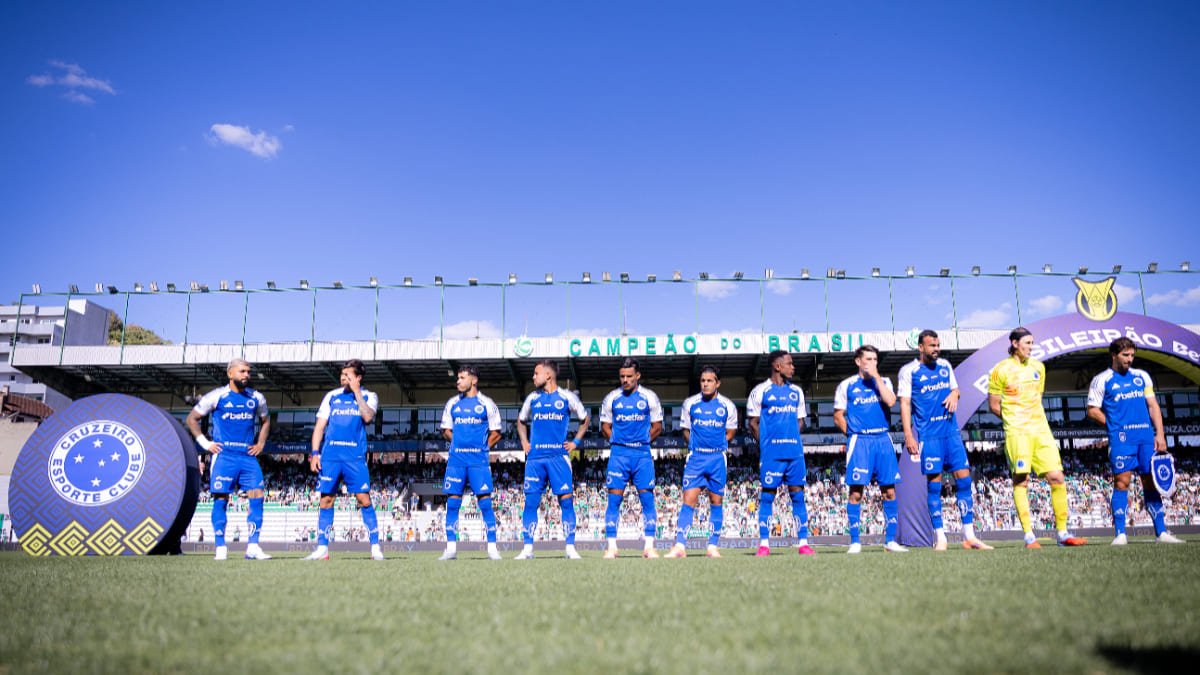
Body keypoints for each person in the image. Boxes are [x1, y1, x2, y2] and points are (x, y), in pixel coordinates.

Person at [988, 328, 1087, 548]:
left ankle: (1063, 534)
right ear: (1014, 343)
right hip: (1018, 432)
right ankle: (1029, 536)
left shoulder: (1039, 368)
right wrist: (1014, 419)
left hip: (1041, 431)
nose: (1031, 347)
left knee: (1057, 477)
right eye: (1027, 343)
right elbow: (994, 405)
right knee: (1021, 480)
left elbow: (1037, 399)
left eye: (1032, 343)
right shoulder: (1000, 370)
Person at [898, 330, 992, 551]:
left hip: (951, 433)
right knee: (934, 485)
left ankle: (969, 535)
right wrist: (909, 435)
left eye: (938, 345)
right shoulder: (909, 371)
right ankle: (940, 537)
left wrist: (955, 394)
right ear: (920, 347)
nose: (936, 349)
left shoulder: (945, 366)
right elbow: (904, 404)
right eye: (932, 345)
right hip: (929, 436)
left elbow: (956, 389)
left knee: (964, 480)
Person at [1086, 337, 1184, 545]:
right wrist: (1113, 425)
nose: (1129, 359)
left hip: (1146, 438)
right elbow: (1092, 410)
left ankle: (1162, 532)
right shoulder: (1102, 379)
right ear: (1114, 355)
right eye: (1125, 355)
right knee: (1122, 482)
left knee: (1151, 482)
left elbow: (1153, 406)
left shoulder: (1142, 377)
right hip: (1122, 440)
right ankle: (1120, 533)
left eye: (1132, 355)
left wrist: (1160, 434)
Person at [186, 358, 271, 561]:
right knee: (221, 501)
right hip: (224, 457)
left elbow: (266, 421)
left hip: (247, 458)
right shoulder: (217, 396)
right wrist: (205, 444)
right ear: (230, 373)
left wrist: (260, 444)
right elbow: (192, 419)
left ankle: (252, 546)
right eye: (242, 371)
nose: (246, 375)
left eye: (249, 372)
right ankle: (221, 547)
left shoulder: (256, 398)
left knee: (257, 497)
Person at [303, 359, 385, 560]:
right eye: (342, 374)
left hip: (354, 457)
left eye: (348, 375)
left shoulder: (369, 396)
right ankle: (322, 549)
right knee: (326, 500)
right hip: (330, 457)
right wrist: (315, 453)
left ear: (358, 377)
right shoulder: (331, 396)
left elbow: (367, 417)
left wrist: (357, 392)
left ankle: (375, 547)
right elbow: (320, 427)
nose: (343, 377)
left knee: (363, 499)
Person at [515, 359, 590, 559]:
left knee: (566, 502)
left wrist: (575, 442)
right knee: (531, 502)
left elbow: (585, 419)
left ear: (548, 375)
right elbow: (520, 421)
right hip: (535, 458)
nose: (533, 377)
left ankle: (570, 547)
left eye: (536, 373)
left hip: (558, 457)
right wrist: (524, 442)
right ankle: (528, 549)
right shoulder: (532, 398)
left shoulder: (566, 397)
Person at [835, 345, 905, 553]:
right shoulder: (847, 385)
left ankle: (890, 541)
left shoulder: (885, 383)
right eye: (868, 359)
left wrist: (877, 378)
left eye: (875, 359)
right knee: (856, 492)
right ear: (858, 361)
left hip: (883, 439)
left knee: (889, 491)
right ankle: (855, 541)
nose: (872, 363)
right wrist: (853, 433)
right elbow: (838, 415)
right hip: (860, 442)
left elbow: (891, 401)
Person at [666, 366, 738, 558]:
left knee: (716, 501)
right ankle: (680, 546)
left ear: (718, 383)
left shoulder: (728, 405)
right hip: (696, 458)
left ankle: (713, 546)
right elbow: (686, 430)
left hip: (717, 459)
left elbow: (731, 431)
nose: (705, 384)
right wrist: (696, 446)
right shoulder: (690, 404)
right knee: (688, 501)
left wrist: (718, 444)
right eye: (703, 381)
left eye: (710, 381)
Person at [746, 350, 814, 557]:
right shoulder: (760, 391)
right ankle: (764, 544)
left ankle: (803, 543)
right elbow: (753, 423)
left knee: (798, 496)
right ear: (777, 366)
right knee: (767, 497)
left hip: (794, 453)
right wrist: (766, 445)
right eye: (789, 364)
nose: (793, 367)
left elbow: (800, 421)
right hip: (772, 455)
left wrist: (790, 436)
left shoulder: (797, 392)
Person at [599, 358, 664, 559]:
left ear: (637, 376)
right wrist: (618, 442)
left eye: (629, 376)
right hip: (619, 456)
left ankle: (649, 546)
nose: (625, 380)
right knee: (613, 501)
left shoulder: (649, 397)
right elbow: (605, 427)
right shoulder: (612, 398)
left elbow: (657, 427)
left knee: (647, 500)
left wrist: (643, 441)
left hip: (642, 456)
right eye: (622, 376)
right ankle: (611, 547)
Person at [439, 365, 504, 560]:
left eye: (462, 377)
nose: (457, 381)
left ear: (473, 380)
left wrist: (483, 448)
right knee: (452, 503)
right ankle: (451, 548)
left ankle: (492, 547)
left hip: (478, 462)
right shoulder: (452, 403)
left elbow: (496, 433)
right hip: (456, 461)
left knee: (485, 503)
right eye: (457, 378)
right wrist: (459, 443)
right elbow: (445, 430)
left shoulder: (487, 403)